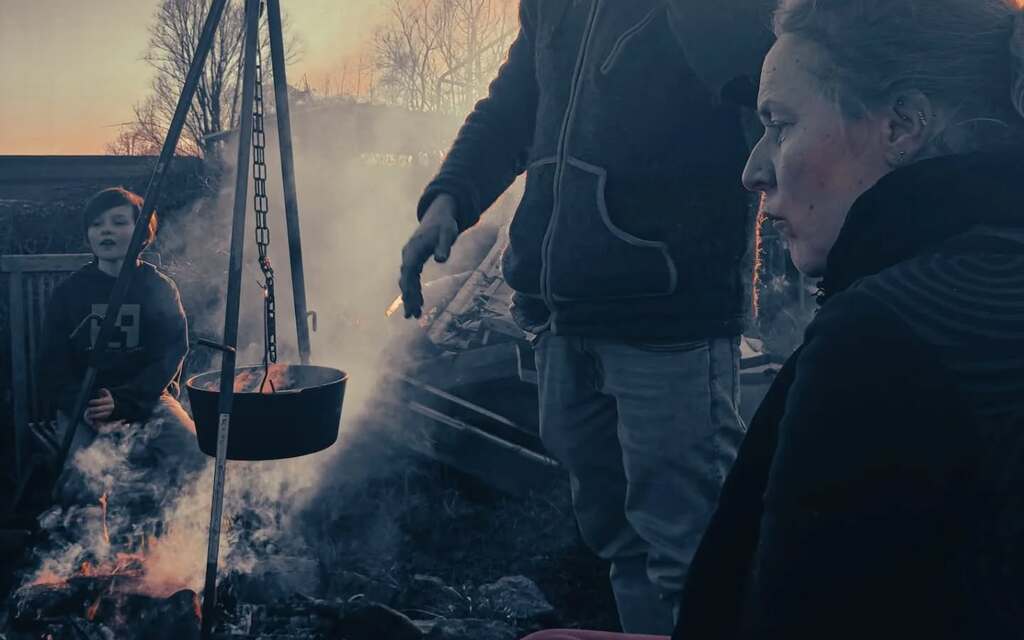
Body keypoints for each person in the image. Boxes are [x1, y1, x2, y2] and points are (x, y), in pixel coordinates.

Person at [523, 0, 1024, 638]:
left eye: (779, 125)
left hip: (664, 307)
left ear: (902, 125)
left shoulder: (881, 341)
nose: (753, 170)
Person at [398, 0, 775, 633]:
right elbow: (512, 109)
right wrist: (449, 198)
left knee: (694, 557)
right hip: (560, 316)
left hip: (670, 319)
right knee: (620, 546)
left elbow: (767, 91)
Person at [39, 187, 204, 506]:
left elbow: (168, 356)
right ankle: (91, 548)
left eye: (118, 222)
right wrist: (85, 405)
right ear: (88, 234)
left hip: (146, 398)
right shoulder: (70, 293)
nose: (107, 231)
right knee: (81, 474)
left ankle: (178, 538)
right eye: (98, 224)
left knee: (196, 453)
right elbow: (52, 364)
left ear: (142, 233)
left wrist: (125, 400)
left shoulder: (158, 288)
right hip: (84, 405)